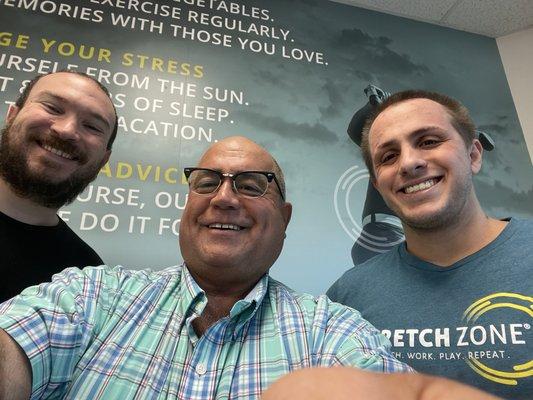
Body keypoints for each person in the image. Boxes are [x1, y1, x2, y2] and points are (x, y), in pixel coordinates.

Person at [0, 136, 410, 400]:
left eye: (251, 185)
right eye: (206, 182)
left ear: (284, 219)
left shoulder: (332, 333)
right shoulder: (93, 296)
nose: (224, 198)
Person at [327, 90, 533, 399]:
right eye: (388, 156)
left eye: (428, 142)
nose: (409, 163)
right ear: (376, 183)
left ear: (474, 155)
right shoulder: (348, 297)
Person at [0, 71, 118, 302]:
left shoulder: (84, 277)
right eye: (52, 108)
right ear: (12, 116)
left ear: (103, 160)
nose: (66, 130)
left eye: (92, 126)